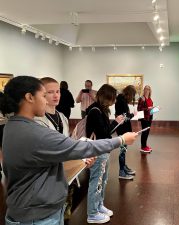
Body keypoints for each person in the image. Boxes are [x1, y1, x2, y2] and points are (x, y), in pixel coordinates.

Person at [0, 76, 137, 225]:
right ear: (29, 97)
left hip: (35, 209)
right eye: (44, 95)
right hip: (36, 216)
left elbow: (57, 152)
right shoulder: (34, 132)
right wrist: (121, 140)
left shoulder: (12, 126)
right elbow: (78, 147)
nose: (47, 100)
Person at [34, 77, 95, 221]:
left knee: (64, 209)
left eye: (58, 91)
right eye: (50, 92)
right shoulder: (36, 121)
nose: (56, 95)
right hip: (47, 178)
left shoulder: (62, 117)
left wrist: (81, 158)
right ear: (41, 94)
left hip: (65, 174)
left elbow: (67, 144)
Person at [86, 84, 124, 223]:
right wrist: (116, 123)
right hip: (98, 151)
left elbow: (105, 130)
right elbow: (103, 133)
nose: (114, 102)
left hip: (103, 150)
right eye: (112, 99)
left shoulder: (100, 109)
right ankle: (92, 213)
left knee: (103, 180)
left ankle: (99, 205)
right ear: (106, 98)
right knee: (96, 182)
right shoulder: (95, 111)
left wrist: (115, 123)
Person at [115, 85, 137, 180]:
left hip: (123, 128)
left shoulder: (121, 100)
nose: (132, 98)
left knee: (124, 150)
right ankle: (121, 172)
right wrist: (133, 114)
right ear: (129, 94)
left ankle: (124, 167)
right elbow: (125, 117)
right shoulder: (121, 101)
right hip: (122, 129)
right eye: (133, 95)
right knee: (122, 151)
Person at [137, 85, 154, 153]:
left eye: (148, 89)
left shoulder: (150, 99)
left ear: (150, 91)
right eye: (145, 89)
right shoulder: (142, 98)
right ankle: (143, 147)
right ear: (144, 90)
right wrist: (147, 109)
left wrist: (154, 109)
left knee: (147, 132)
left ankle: (145, 145)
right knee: (145, 132)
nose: (147, 90)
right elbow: (139, 109)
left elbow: (151, 108)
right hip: (144, 118)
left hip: (149, 117)